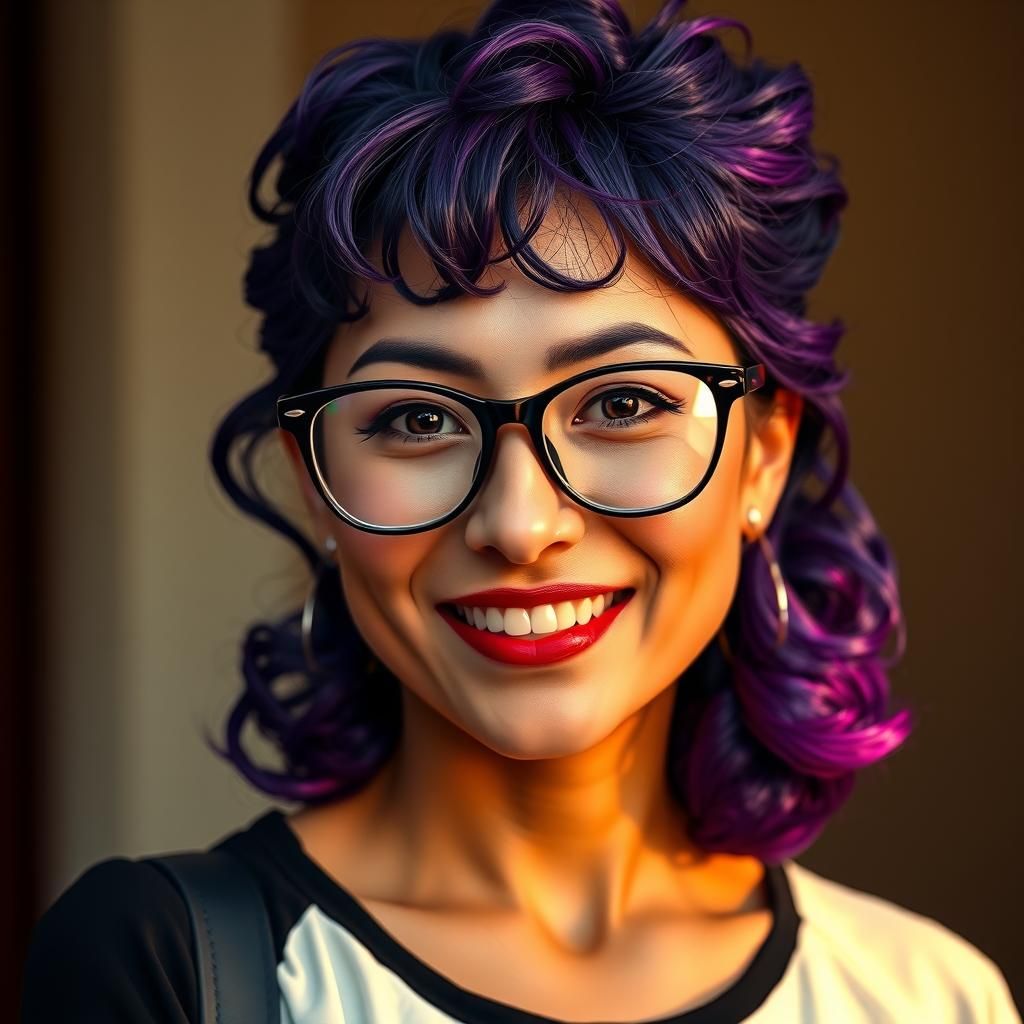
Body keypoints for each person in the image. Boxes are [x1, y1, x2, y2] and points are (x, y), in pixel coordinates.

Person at [20, 0, 1021, 1021]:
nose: (519, 523)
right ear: (313, 479)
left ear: (762, 457)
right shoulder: (168, 966)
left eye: (622, 405)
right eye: (417, 418)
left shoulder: (931, 998)